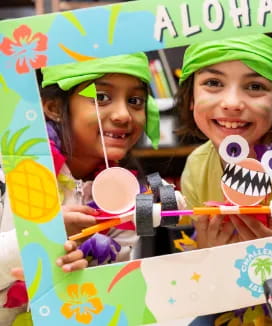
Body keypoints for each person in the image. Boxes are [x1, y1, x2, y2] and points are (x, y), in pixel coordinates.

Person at [0, 52, 161, 325]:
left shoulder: (126, 194)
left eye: (135, 101)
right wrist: (43, 237)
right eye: (101, 98)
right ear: (52, 107)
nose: (124, 115)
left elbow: (111, 296)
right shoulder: (8, 175)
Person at [176, 33, 272, 325]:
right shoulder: (197, 167)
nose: (231, 103)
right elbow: (208, 293)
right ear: (191, 96)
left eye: (255, 86)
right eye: (213, 83)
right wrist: (211, 259)